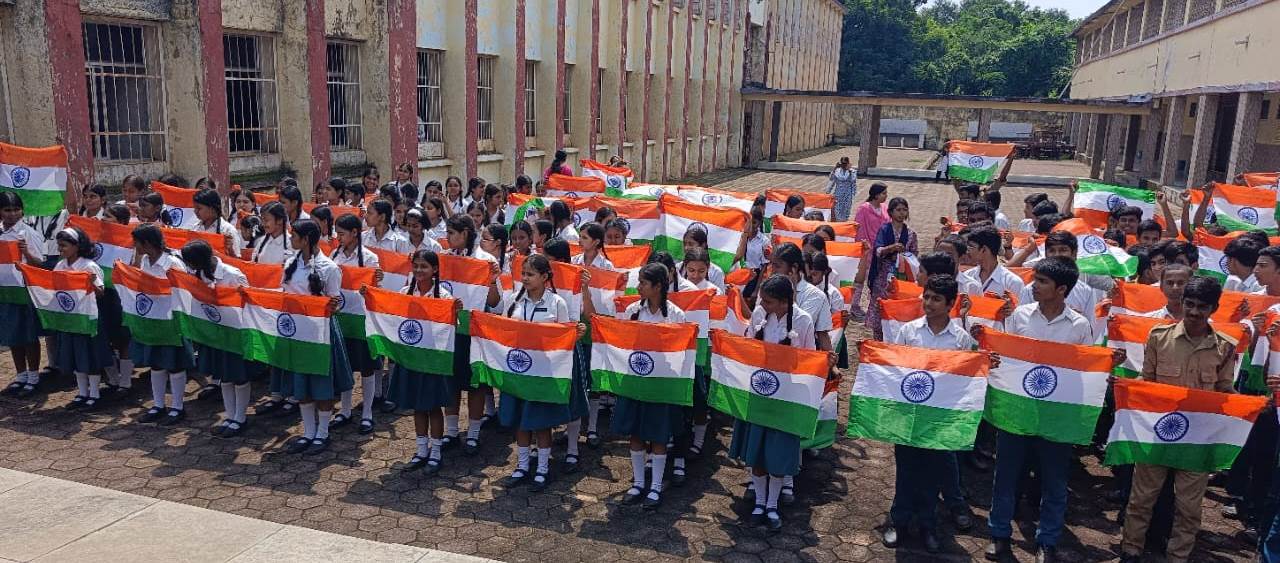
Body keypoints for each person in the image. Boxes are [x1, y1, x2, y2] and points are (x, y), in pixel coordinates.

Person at [978, 257, 1099, 563]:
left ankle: (1047, 540)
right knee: (1005, 476)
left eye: (1043, 282)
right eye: (1035, 279)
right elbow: (1006, 357)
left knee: (1054, 481)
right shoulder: (1020, 316)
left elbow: (1084, 371)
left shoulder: (1079, 326)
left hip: (1056, 416)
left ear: (1062, 290)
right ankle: (999, 534)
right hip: (1017, 410)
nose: (1034, 286)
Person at [1120, 276, 1237, 563]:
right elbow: (1147, 380)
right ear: (1182, 303)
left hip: (1197, 439)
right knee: (1141, 498)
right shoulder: (1159, 337)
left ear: (1214, 308)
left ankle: (1178, 556)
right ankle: (1131, 550)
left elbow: (1225, 391)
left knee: (1189, 508)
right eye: (1190, 304)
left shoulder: (1224, 347)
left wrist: (1255, 405)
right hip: (1158, 432)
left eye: (1202, 307)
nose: (1194, 312)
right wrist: (1124, 386)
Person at [882, 274, 994, 554]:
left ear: (950, 303)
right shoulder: (909, 332)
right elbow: (894, 367)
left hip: (940, 420)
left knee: (931, 475)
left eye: (936, 299)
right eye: (927, 297)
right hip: (910, 415)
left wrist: (985, 363)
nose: (929, 303)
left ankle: (928, 526)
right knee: (906, 471)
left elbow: (968, 378)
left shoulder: (960, 339)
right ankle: (899, 521)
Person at [486, 253, 587, 491]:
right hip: (518, 370)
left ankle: (542, 469)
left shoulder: (557, 303)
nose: (525, 278)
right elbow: (504, 331)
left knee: (541, 422)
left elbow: (563, 339)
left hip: (543, 373)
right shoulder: (514, 301)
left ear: (544, 277)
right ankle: (522, 466)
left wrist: (575, 335)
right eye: (523, 273)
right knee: (520, 421)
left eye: (530, 274)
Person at [730, 275, 819, 531]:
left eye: (768, 301)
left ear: (784, 302)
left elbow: (810, 358)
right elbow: (749, 346)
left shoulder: (803, 320)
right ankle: (759, 503)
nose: (762, 305)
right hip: (759, 393)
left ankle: (772, 505)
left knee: (777, 455)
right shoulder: (760, 314)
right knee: (758, 452)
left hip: (786, 398)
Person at [616, 263, 689, 509]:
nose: (638, 287)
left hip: (661, 384)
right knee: (636, 433)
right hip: (636, 381)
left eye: (643, 283)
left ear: (657, 286)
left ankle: (656, 486)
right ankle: (638, 483)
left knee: (658, 435)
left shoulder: (675, 315)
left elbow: (681, 353)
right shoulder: (633, 311)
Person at [279, 220, 355, 455]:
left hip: (320, 332)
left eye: (294, 236)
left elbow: (335, 303)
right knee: (302, 383)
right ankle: (308, 432)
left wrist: (328, 306)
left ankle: (322, 433)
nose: (290, 239)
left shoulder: (329, 268)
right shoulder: (290, 263)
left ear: (306, 240)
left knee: (321, 384)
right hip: (297, 332)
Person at [384, 250, 461, 475]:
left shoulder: (443, 296)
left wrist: (455, 311)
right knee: (417, 406)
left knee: (433, 406)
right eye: (415, 265)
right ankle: (421, 450)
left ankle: (436, 452)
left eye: (424, 266)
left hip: (433, 360)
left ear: (435, 269)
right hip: (411, 358)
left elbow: (451, 328)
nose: (419, 270)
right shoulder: (404, 293)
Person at [179, 240, 253, 435]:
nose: (189, 266)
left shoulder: (231, 274)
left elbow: (248, 302)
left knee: (239, 376)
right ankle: (230, 415)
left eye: (190, 262)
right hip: (216, 334)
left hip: (235, 334)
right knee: (224, 376)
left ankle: (241, 417)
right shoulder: (199, 274)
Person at [128, 224, 196, 425]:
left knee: (175, 365)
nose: (134, 246)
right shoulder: (146, 261)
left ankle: (177, 407)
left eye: (137, 243)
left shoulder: (172, 263)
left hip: (171, 321)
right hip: (154, 319)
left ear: (147, 243)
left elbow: (183, 291)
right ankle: (158, 405)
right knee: (156, 364)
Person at [331, 213, 387, 434]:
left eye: (342, 233)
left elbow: (377, 291)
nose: (338, 237)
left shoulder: (370, 258)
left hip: (362, 320)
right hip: (342, 318)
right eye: (337, 233)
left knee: (366, 367)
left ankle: (367, 413)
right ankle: (345, 410)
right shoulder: (335, 255)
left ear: (355, 233)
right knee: (345, 366)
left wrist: (372, 287)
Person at [49, 227, 112, 410]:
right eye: (59, 245)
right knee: (76, 356)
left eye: (64, 245)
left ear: (76, 246)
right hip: (70, 319)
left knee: (90, 357)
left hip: (87, 319)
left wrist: (92, 283)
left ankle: (95, 394)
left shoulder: (88, 266)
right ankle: (82, 393)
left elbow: (101, 293)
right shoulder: (60, 266)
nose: (60, 249)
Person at [0, 192, 47, 398]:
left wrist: (26, 253)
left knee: (28, 335)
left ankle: (34, 377)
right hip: (5, 291)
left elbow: (40, 264)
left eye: (16, 209)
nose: (12, 214)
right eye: (7, 210)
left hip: (24, 290)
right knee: (13, 334)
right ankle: (21, 375)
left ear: (22, 211)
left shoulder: (27, 233)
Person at [866, 197, 917, 341]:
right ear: (891, 212)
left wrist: (905, 258)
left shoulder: (911, 234)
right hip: (883, 276)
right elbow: (878, 250)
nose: (901, 213)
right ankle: (878, 339)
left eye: (904, 210)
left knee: (897, 308)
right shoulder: (884, 230)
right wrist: (891, 248)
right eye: (898, 210)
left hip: (902, 277)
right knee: (880, 306)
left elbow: (915, 255)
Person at [850, 183, 889, 318]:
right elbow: (859, 228)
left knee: (877, 279)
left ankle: (874, 306)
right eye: (884, 193)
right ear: (876, 195)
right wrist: (862, 246)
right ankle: (854, 305)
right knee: (860, 279)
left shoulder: (885, 208)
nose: (886, 196)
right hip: (866, 249)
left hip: (880, 249)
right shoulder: (864, 209)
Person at [826, 156, 857, 221]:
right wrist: (835, 168)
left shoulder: (852, 171)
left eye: (845, 163)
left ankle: (844, 221)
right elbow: (831, 179)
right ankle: (838, 221)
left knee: (846, 209)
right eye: (842, 163)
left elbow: (853, 181)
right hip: (838, 194)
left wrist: (849, 170)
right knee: (837, 209)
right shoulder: (837, 171)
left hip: (847, 194)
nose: (844, 165)